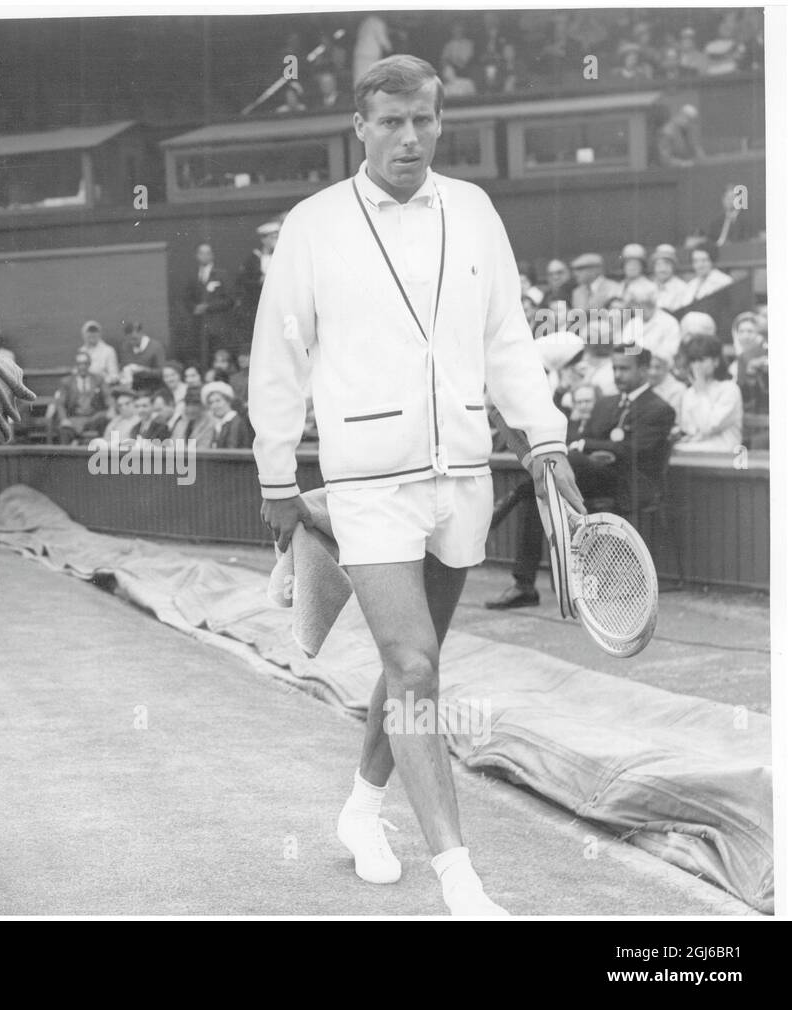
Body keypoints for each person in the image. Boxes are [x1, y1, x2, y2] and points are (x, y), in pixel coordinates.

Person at [251, 55, 579, 917]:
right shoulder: (313, 224)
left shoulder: (473, 210)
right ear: (359, 128)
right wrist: (276, 476)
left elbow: (509, 338)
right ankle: (460, 881)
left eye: (424, 120)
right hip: (366, 482)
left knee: (413, 669)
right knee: (413, 663)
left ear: (439, 120)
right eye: (392, 122)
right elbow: (278, 359)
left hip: (461, 478)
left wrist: (543, 439)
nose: (410, 137)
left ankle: (362, 810)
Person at [488, 347, 674, 610]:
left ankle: (513, 497)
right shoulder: (606, 402)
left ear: (643, 370)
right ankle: (524, 585)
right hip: (594, 476)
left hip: (630, 484)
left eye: (625, 369)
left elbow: (633, 451)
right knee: (542, 491)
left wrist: (590, 446)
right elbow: (593, 440)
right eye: (615, 368)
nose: (618, 374)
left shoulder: (659, 408)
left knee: (563, 467)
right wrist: (596, 450)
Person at [675, 335, 743, 453]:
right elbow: (689, 428)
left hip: (724, 450)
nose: (696, 366)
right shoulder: (689, 392)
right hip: (695, 447)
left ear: (716, 361)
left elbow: (709, 426)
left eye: (701, 360)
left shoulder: (729, 389)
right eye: (693, 361)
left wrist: (701, 393)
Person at [184, 243, 236, 363]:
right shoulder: (192, 275)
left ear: (212, 255)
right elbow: (186, 298)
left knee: (219, 354)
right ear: (197, 256)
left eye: (207, 253)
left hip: (218, 325)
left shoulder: (222, 274)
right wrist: (194, 307)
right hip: (199, 326)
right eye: (201, 253)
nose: (204, 256)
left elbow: (230, 299)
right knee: (202, 356)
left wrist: (208, 307)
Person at [52, 351, 110, 444]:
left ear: (89, 364)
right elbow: (60, 403)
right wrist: (64, 419)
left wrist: (112, 408)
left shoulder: (98, 379)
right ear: (75, 365)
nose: (82, 367)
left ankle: (102, 455)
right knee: (64, 430)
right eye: (79, 364)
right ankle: (67, 456)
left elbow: (108, 396)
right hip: (75, 418)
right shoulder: (67, 382)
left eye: (85, 363)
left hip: (94, 418)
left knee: (105, 420)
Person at [237, 220, 280, 334]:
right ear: (263, 239)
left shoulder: (283, 256)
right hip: (258, 302)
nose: (275, 240)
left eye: (276, 237)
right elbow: (243, 280)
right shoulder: (254, 258)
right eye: (272, 237)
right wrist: (258, 281)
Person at [118, 321, 166, 393]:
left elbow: (162, 372)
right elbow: (122, 367)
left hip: (151, 386)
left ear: (141, 334)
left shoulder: (155, 347)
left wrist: (144, 370)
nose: (131, 342)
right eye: (129, 339)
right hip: (130, 386)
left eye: (134, 339)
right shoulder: (125, 346)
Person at [681, 241, 733, 305]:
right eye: (695, 261)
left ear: (712, 261)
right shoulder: (691, 284)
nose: (699, 265)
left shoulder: (724, 281)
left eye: (704, 260)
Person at [203, 381, 251, 449]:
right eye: (211, 403)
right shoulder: (215, 423)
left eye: (218, 401)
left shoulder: (235, 422)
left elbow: (232, 449)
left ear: (228, 401)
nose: (215, 405)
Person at [649, 244, 691, 312]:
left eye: (667, 264)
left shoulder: (682, 288)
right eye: (659, 265)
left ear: (673, 267)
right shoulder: (648, 287)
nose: (663, 269)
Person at [78, 320, 119, 384]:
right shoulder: (81, 351)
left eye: (95, 331)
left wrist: (100, 382)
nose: (92, 334)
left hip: (102, 386)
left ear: (99, 334)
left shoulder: (109, 350)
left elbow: (114, 376)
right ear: (84, 334)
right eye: (89, 332)